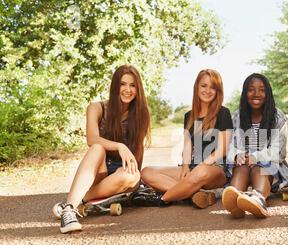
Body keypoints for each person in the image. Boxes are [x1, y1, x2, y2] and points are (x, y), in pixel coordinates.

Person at [52, 65, 150, 233]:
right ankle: (69, 212)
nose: (128, 90)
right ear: (115, 87)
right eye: (123, 84)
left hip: (121, 174)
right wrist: (120, 146)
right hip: (100, 169)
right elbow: (91, 139)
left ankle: (75, 201)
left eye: (132, 85)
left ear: (138, 88)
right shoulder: (97, 108)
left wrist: (134, 182)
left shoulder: (141, 113)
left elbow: (136, 158)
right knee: (97, 148)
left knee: (132, 175)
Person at [137, 69, 233, 208]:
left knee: (201, 171)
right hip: (193, 168)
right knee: (147, 172)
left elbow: (222, 150)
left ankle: (163, 199)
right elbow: (187, 147)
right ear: (197, 87)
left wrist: (202, 164)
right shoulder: (189, 116)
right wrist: (185, 167)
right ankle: (196, 195)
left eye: (213, 87)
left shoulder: (223, 113)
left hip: (216, 169)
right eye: (204, 86)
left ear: (218, 91)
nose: (208, 90)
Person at [222, 73, 288, 218]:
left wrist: (255, 157)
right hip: (243, 166)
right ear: (245, 93)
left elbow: (278, 153)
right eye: (251, 89)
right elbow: (230, 147)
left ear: (268, 93)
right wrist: (237, 155)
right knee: (241, 168)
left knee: (260, 167)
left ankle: (258, 199)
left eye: (262, 90)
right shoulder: (237, 117)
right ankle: (236, 201)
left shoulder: (277, 117)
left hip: (269, 167)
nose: (256, 94)